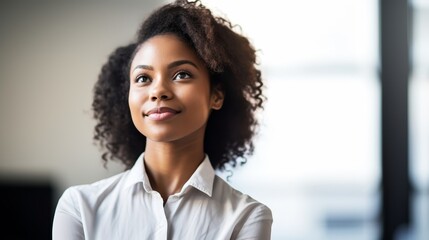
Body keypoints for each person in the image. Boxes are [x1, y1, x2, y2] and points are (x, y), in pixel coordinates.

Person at [52, 0, 273, 239]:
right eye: (143, 78)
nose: (158, 91)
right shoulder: (80, 208)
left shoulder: (247, 217)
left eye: (181, 74)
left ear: (216, 96)